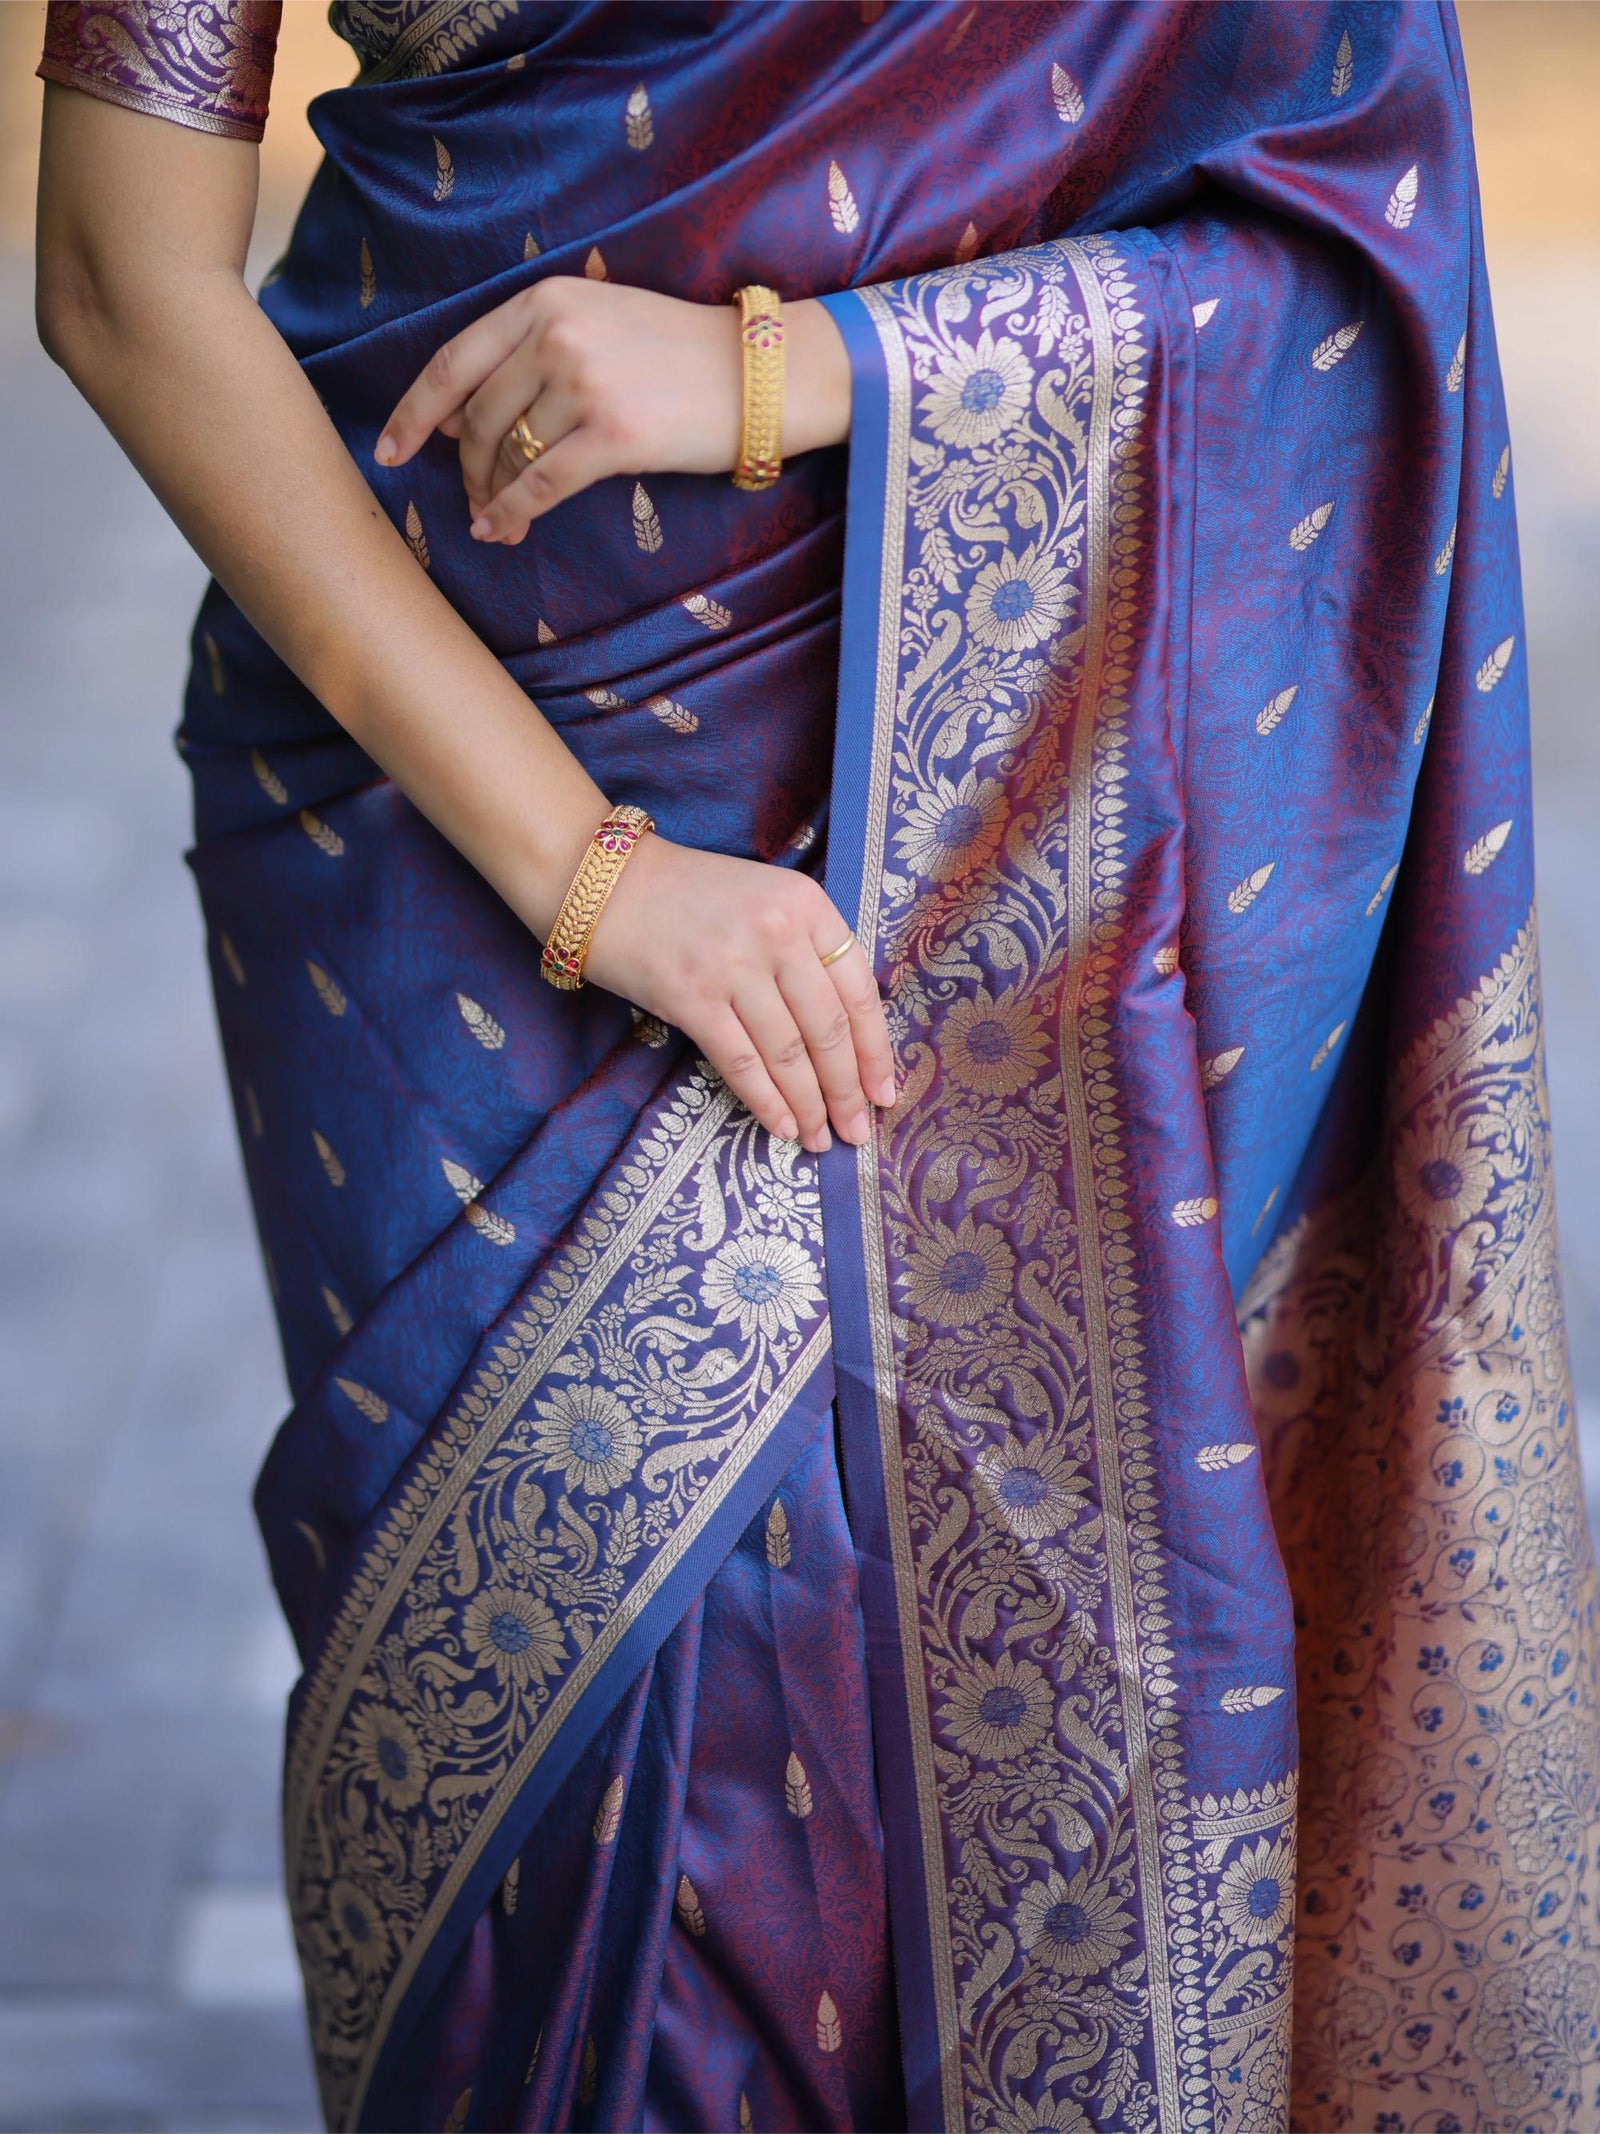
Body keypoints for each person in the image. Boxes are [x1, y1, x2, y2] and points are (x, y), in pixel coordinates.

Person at [34, 3, 1600, 2128]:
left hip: (1000, 790)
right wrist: (597, 877)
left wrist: (785, 376)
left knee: (1013, 1685)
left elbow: (1336, 243)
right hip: (422, 781)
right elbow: (124, 278)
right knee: (573, 1768)